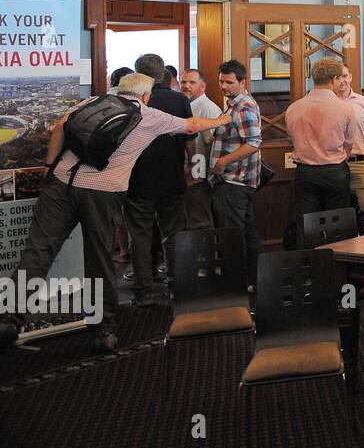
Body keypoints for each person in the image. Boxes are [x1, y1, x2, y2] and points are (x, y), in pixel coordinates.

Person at [0, 73, 228, 353]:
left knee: (38, 250)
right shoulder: (149, 115)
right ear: (146, 96)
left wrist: (50, 167)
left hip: (61, 184)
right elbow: (192, 125)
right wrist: (222, 120)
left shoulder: (92, 101)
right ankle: (103, 330)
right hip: (104, 190)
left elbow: (59, 127)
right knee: (99, 259)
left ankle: (9, 319)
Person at [121, 53, 193, 306]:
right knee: (173, 235)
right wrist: (190, 168)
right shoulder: (180, 100)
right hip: (172, 178)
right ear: (165, 74)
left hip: (137, 180)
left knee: (139, 237)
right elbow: (189, 139)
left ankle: (144, 292)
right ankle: (177, 287)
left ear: (137, 75)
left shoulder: (129, 102)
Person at [284, 59, 361, 245]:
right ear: (334, 79)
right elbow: (349, 144)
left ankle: (307, 266)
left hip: (305, 172)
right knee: (337, 224)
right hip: (335, 171)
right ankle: (338, 266)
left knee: (306, 223)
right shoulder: (345, 109)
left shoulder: (293, 108)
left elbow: (291, 138)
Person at [208, 60, 262, 289]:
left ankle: (235, 286)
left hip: (235, 181)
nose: (223, 86)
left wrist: (222, 162)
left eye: (229, 82)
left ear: (242, 82)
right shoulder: (233, 104)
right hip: (239, 181)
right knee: (246, 232)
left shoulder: (243, 107)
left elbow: (253, 143)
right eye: (221, 81)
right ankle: (252, 280)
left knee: (233, 235)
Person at [335, 65, 364, 226]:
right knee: (340, 209)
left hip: (359, 163)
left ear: (350, 77)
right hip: (335, 165)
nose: (343, 81)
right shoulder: (328, 103)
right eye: (338, 77)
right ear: (333, 80)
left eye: (345, 76)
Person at [179, 67, 221, 229]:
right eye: (183, 82)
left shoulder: (206, 107)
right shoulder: (187, 105)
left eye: (191, 82)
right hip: (187, 174)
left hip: (198, 176)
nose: (186, 86)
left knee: (200, 221)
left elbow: (211, 144)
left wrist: (197, 173)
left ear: (202, 87)